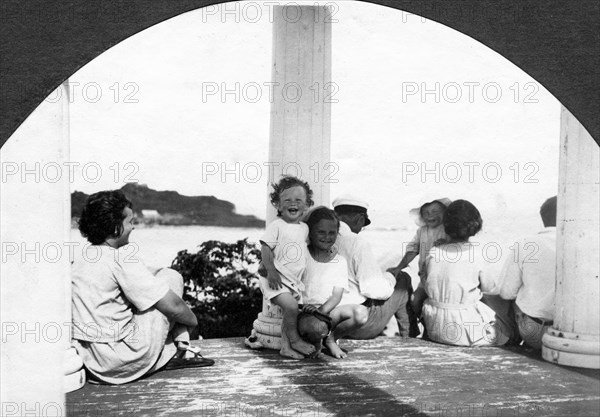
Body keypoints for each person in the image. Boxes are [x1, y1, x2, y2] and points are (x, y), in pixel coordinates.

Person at [71, 190, 213, 385]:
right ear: (115, 227)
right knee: (171, 277)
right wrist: (192, 322)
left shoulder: (80, 259)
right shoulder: (120, 259)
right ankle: (183, 345)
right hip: (123, 359)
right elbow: (175, 308)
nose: (134, 227)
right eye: (130, 222)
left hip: (92, 361)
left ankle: (180, 346)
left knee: (152, 283)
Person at [421, 199, 509, 347]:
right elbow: (490, 288)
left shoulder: (434, 252)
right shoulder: (478, 254)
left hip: (435, 328)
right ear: (475, 225)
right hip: (463, 332)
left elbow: (425, 281)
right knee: (504, 310)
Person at [331, 194, 414, 340]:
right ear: (359, 219)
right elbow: (374, 290)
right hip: (354, 324)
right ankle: (410, 336)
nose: (359, 230)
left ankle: (408, 334)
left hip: (327, 320)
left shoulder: (320, 236)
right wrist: (390, 277)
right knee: (402, 278)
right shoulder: (356, 241)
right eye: (362, 226)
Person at [259, 176, 316, 359]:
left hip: (292, 281)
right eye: (287, 200)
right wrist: (271, 270)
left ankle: (286, 347)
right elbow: (266, 249)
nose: (293, 204)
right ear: (278, 204)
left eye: (299, 200)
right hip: (274, 278)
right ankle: (295, 339)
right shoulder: (277, 226)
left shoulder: (304, 228)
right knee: (291, 307)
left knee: (289, 312)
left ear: (307, 204)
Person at [301, 206, 368, 359]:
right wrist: (309, 310)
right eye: (321, 232)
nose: (327, 237)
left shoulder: (339, 261)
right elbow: (292, 287)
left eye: (332, 233)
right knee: (316, 327)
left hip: (326, 311)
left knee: (361, 313)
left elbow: (336, 296)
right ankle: (314, 341)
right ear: (311, 232)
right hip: (303, 311)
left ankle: (331, 339)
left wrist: (321, 312)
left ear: (337, 234)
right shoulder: (302, 254)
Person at [498, 196, 557, 350]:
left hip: (534, 334)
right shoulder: (585, 245)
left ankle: (510, 339)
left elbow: (506, 293)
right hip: (570, 335)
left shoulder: (525, 244)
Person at [388, 198, 452, 320]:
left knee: (438, 305)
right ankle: (424, 323)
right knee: (414, 300)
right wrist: (399, 267)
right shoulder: (421, 231)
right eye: (426, 213)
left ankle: (433, 327)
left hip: (443, 279)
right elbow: (413, 249)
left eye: (435, 211)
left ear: (445, 213)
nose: (430, 215)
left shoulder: (448, 229)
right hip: (425, 277)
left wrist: (447, 243)